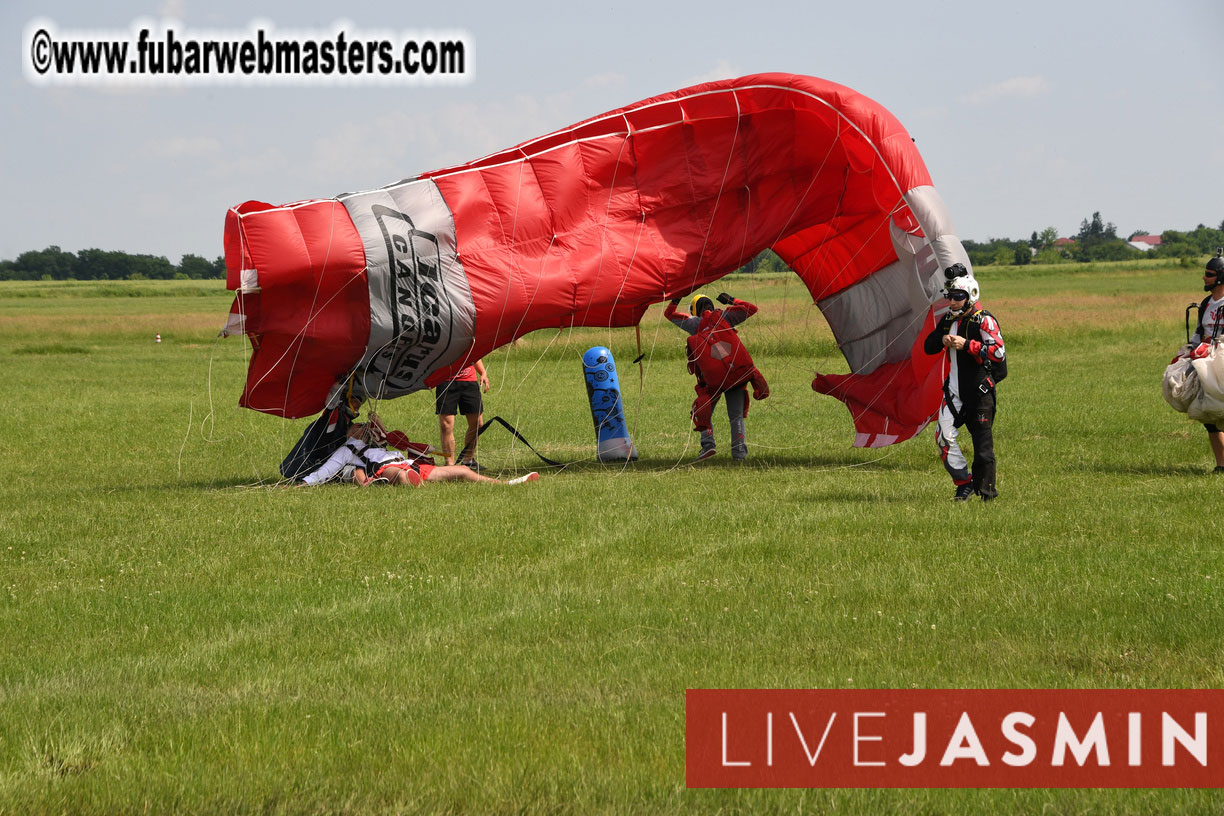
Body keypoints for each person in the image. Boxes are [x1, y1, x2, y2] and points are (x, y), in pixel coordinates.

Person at [923, 264, 1006, 501]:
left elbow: (999, 354)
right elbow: (928, 347)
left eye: (957, 297)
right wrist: (943, 339)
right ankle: (963, 482)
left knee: (982, 448)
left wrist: (967, 345)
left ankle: (987, 496)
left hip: (979, 392)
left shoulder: (984, 320)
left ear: (971, 296)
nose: (952, 301)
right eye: (949, 296)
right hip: (953, 392)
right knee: (943, 437)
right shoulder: (948, 319)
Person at [664, 292, 769, 461]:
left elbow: (669, 314)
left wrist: (676, 298)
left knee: (703, 410)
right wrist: (732, 300)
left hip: (714, 380)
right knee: (736, 416)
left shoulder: (695, 324)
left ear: (695, 310)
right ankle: (739, 454)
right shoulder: (726, 316)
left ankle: (708, 445)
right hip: (736, 374)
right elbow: (751, 308)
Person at [298, 422, 538, 486]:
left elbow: (396, 438)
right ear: (349, 433)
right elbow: (326, 470)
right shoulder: (347, 450)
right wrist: (304, 483)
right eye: (358, 426)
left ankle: (506, 484)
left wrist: (378, 426)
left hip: (410, 463)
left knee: (463, 470)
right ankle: (413, 485)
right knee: (401, 476)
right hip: (387, 470)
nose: (364, 428)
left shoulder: (378, 443)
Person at [1187, 253, 1224, 472]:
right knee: (1210, 415)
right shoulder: (1206, 303)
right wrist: (1189, 351)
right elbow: (1199, 331)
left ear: (1221, 278)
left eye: (1209, 274)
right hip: (1207, 362)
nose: (1204, 277)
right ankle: (1221, 466)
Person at [435, 358, 490, 470]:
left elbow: (474, 353)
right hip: (445, 382)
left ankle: (468, 461)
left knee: (478, 424)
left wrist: (483, 373)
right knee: (446, 426)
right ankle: (450, 465)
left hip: (469, 382)